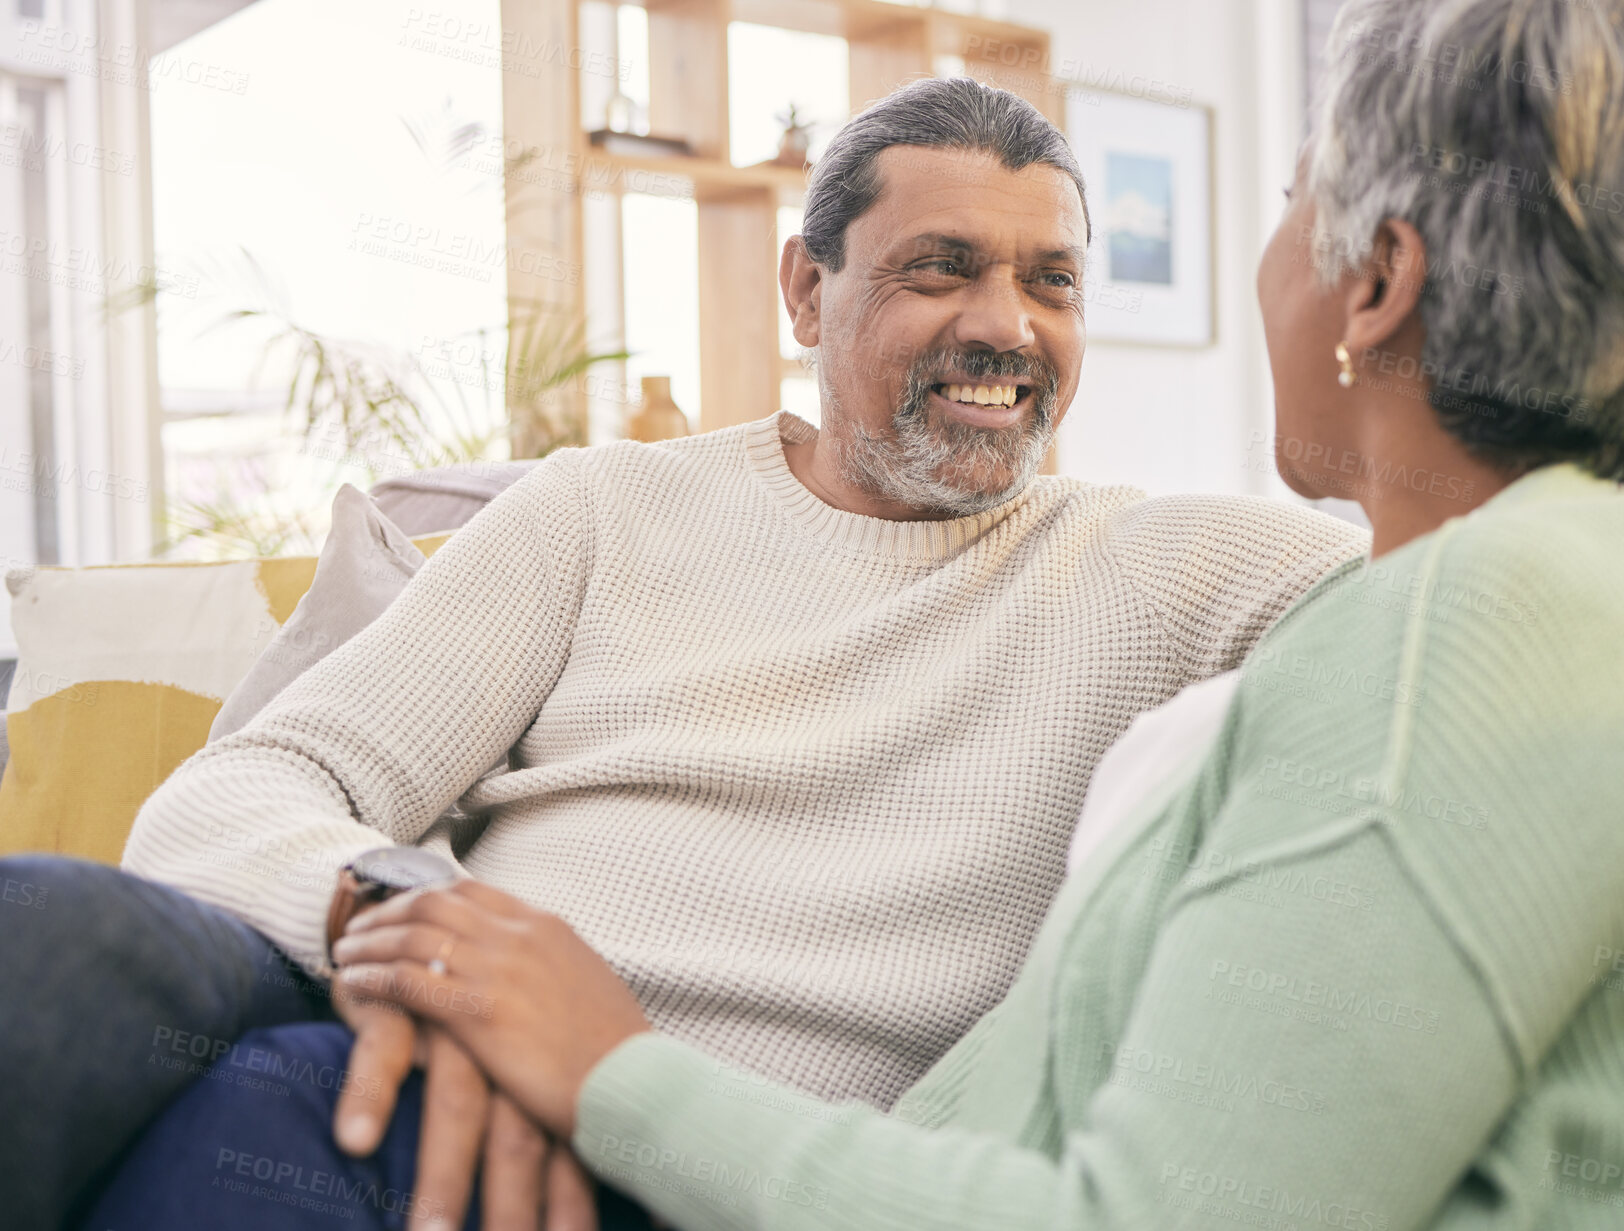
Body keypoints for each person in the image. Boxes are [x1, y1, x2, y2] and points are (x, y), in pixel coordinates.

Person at [79, 0, 1624, 1226]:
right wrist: (409, 928)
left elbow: (1455, 596)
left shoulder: (1193, 577)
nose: (1004, 329)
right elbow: (241, 794)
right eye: (939, 270)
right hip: (406, 1002)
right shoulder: (595, 513)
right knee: (43, 935)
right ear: (807, 297)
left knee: (264, 1108)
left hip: (658, 1150)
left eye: (1053, 283)